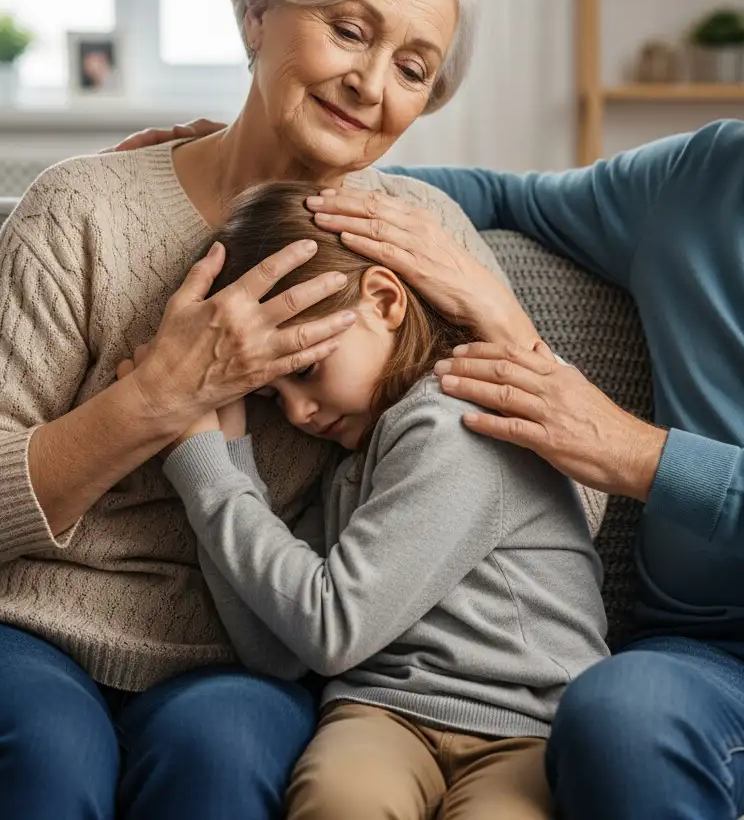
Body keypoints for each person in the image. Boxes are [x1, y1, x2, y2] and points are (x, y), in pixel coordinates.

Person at [130, 0, 744, 818]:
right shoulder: (699, 181)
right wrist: (257, 160)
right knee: (617, 714)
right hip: (715, 663)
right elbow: (499, 197)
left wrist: (637, 454)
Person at [0, 0, 534, 820]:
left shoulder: (421, 240)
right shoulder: (82, 209)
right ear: (257, 15)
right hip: (25, 623)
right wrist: (152, 402)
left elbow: (565, 500)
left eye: (413, 68)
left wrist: (502, 317)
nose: (370, 84)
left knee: (225, 756)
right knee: (47, 755)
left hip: (245, 650)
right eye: (349, 30)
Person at [122, 180, 608, 820]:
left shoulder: (456, 421)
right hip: (382, 714)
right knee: (338, 799)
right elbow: (278, 649)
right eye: (271, 396)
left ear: (384, 300)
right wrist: (228, 453)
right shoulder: (351, 465)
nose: (297, 413)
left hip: (525, 725)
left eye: (305, 372)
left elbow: (331, 630)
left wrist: (204, 470)